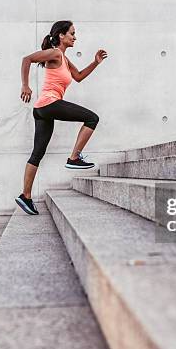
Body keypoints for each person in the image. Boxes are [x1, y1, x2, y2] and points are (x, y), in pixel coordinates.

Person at [15, 20, 108, 215]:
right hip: (49, 104)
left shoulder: (64, 59)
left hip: (42, 109)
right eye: (72, 33)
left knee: (37, 153)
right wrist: (25, 85)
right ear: (61, 36)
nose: (75, 37)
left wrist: (96, 63)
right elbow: (27, 59)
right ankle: (74, 157)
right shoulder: (55, 53)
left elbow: (79, 76)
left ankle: (26, 196)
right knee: (92, 118)